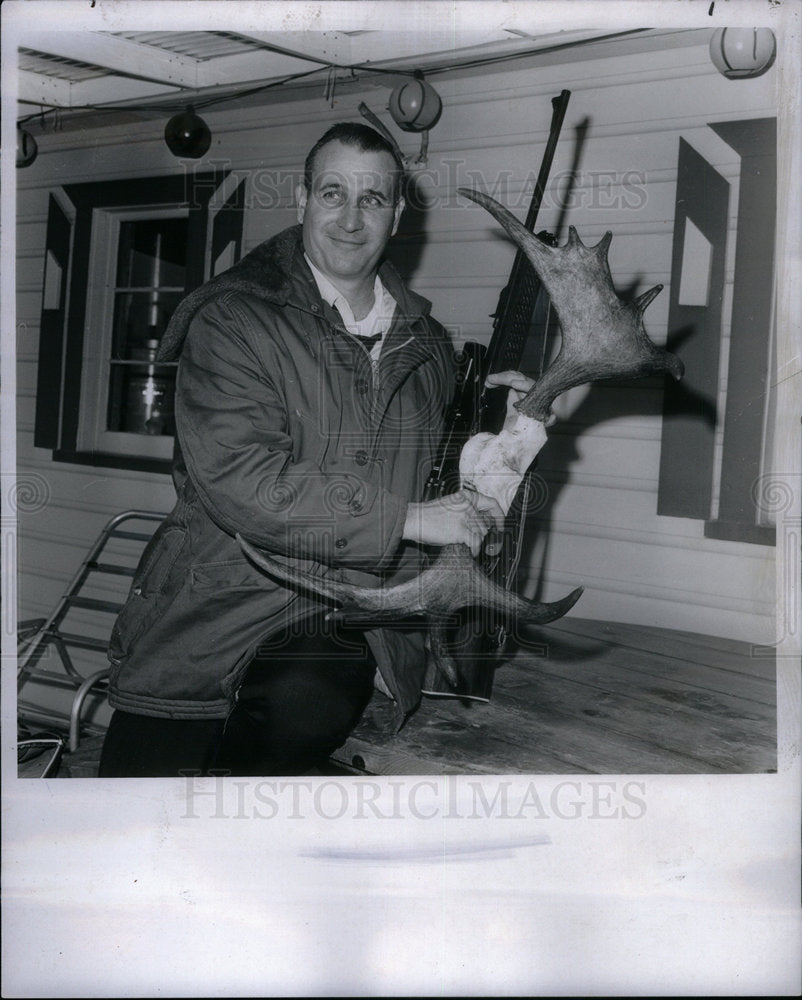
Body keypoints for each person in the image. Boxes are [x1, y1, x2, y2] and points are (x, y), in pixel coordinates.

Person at [98, 122, 524, 778]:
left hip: (350, 625)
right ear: (301, 201)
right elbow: (242, 478)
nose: (351, 219)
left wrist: (512, 429)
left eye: (373, 199)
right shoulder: (234, 319)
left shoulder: (431, 349)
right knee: (135, 832)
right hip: (213, 615)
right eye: (333, 194)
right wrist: (405, 519)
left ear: (397, 214)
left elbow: (435, 482)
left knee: (312, 700)